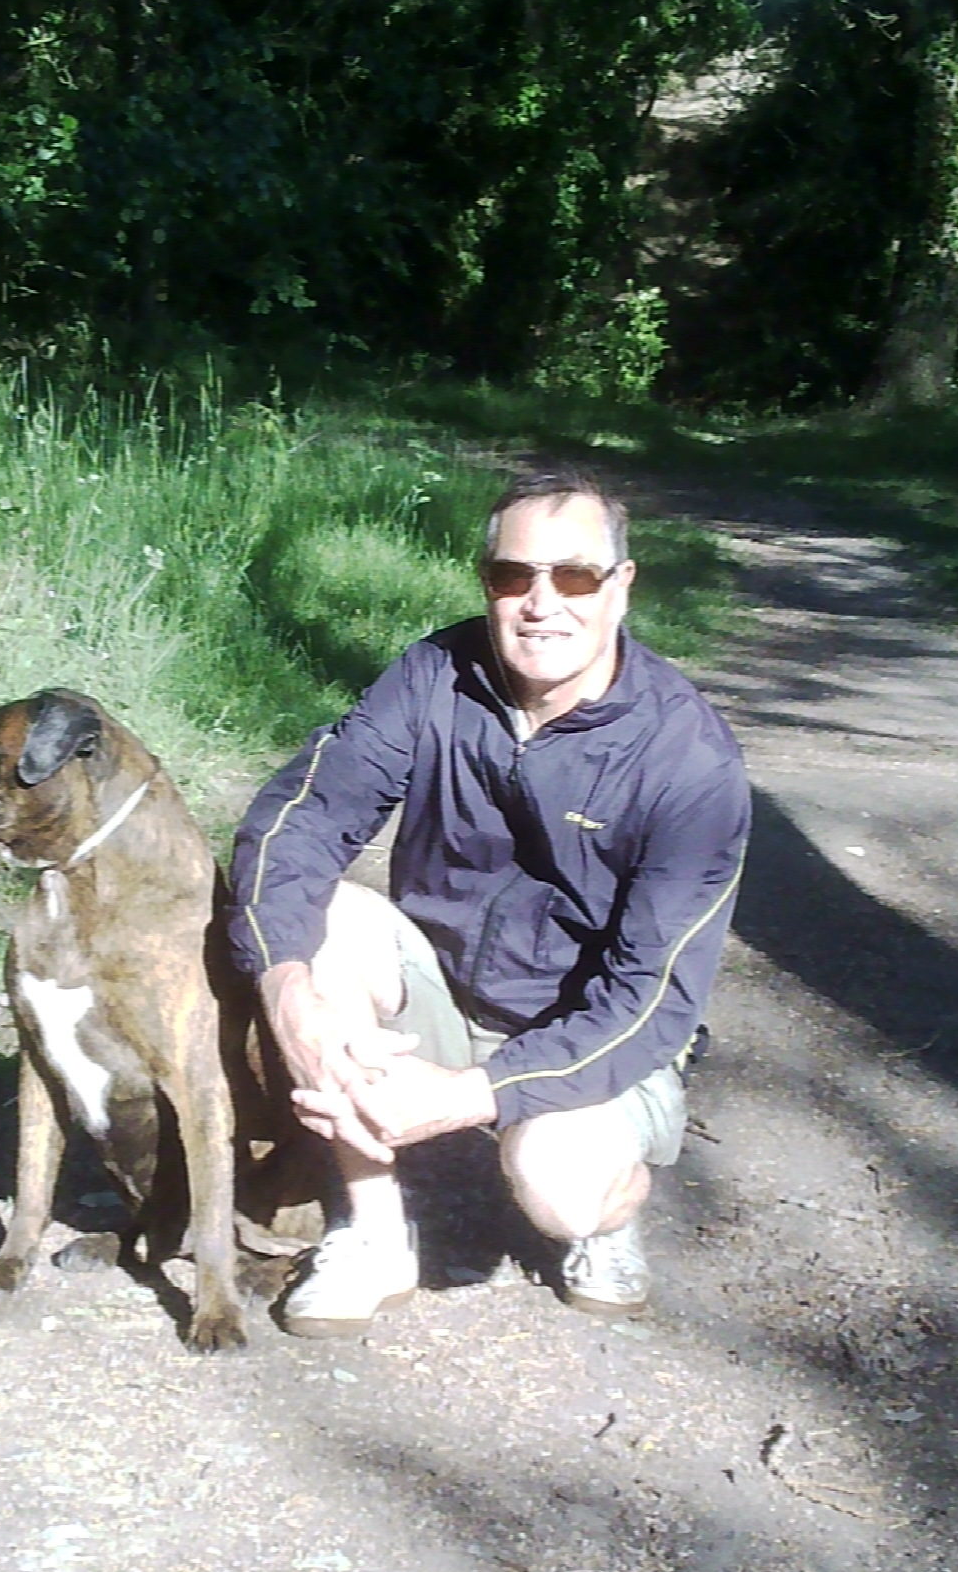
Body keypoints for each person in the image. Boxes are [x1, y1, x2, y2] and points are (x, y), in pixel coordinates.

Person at [225, 469, 753, 1337]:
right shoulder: (434, 675)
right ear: (487, 584)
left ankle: (609, 1220)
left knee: (561, 1185)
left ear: (621, 587)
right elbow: (301, 818)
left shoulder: (688, 760)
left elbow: (649, 1000)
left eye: (574, 576)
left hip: (586, 1029)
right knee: (318, 924)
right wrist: (285, 988)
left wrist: (470, 1095)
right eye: (515, 576)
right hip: (442, 987)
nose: (542, 604)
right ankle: (372, 1234)